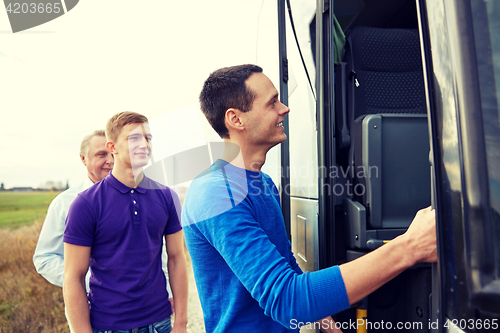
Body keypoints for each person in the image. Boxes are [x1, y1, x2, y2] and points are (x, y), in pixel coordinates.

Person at [181, 64, 437, 333]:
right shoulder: (215, 194)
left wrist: (325, 321)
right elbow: (287, 300)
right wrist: (410, 247)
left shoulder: (263, 184)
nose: (284, 109)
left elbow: (285, 262)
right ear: (236, 119)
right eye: (272, 103)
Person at [63, 112, 188, 333]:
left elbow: (177, 259)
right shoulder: (85, 204)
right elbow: (73, 277)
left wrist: (181, 323)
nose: (144, 144)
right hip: (109, 326)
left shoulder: (166, 196)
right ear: (113, 147)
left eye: (148, 138)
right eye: (134, 138)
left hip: (160, 323)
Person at [33, 130, 113, 289]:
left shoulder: (137, 198)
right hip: (88, 306)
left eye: (114, 153)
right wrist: (89, 279)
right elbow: (45, 258)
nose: (111, 161)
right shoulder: (63, 204)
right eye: (101, 154)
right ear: (83, 159)